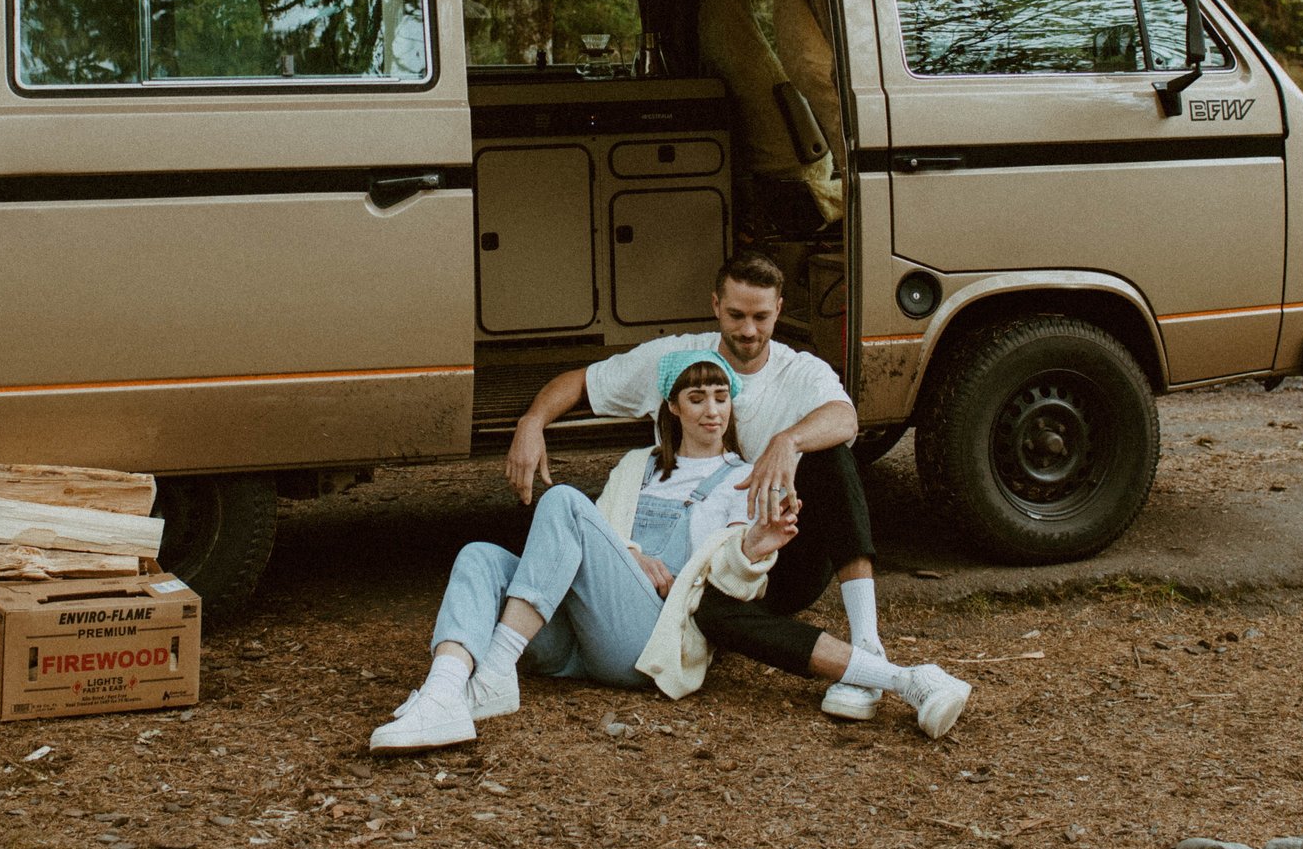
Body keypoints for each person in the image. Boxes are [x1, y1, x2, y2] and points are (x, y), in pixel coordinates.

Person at [370, 354, 970, 750]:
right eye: (697, 399)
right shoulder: (636, 468)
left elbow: (729, 589)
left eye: (720, 397)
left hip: (644, 639)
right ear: (672, 410)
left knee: (560, 503)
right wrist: (629, 552)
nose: (712, 410)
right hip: (572, 635)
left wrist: (757, 545)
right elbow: (596, 540)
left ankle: (493, 671)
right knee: (479, 552)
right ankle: (448, 690)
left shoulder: (743, 478)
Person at [505, 249, 960, 730]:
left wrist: (788, 440)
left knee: (832, 457)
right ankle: (891, 677)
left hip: (780, 548)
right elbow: (580, 382)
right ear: (716, 306)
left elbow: (844, 417)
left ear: (780, 310)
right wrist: (532, 422)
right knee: (710, 610)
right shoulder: (680, 360)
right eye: (737, 315)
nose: (748, 330)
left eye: (761, 317)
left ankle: (868, 641)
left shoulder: (798, 370)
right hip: (704, 562)